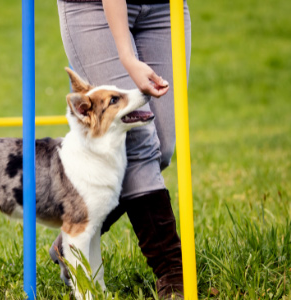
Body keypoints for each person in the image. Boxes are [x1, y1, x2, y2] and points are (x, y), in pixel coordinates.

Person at [49, 0, 191, 298]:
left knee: (161, 147)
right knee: (140, 146)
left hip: (165, 9)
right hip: (93, 9)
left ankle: (74, 235)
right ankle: (172, 274)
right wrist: (126, 56)